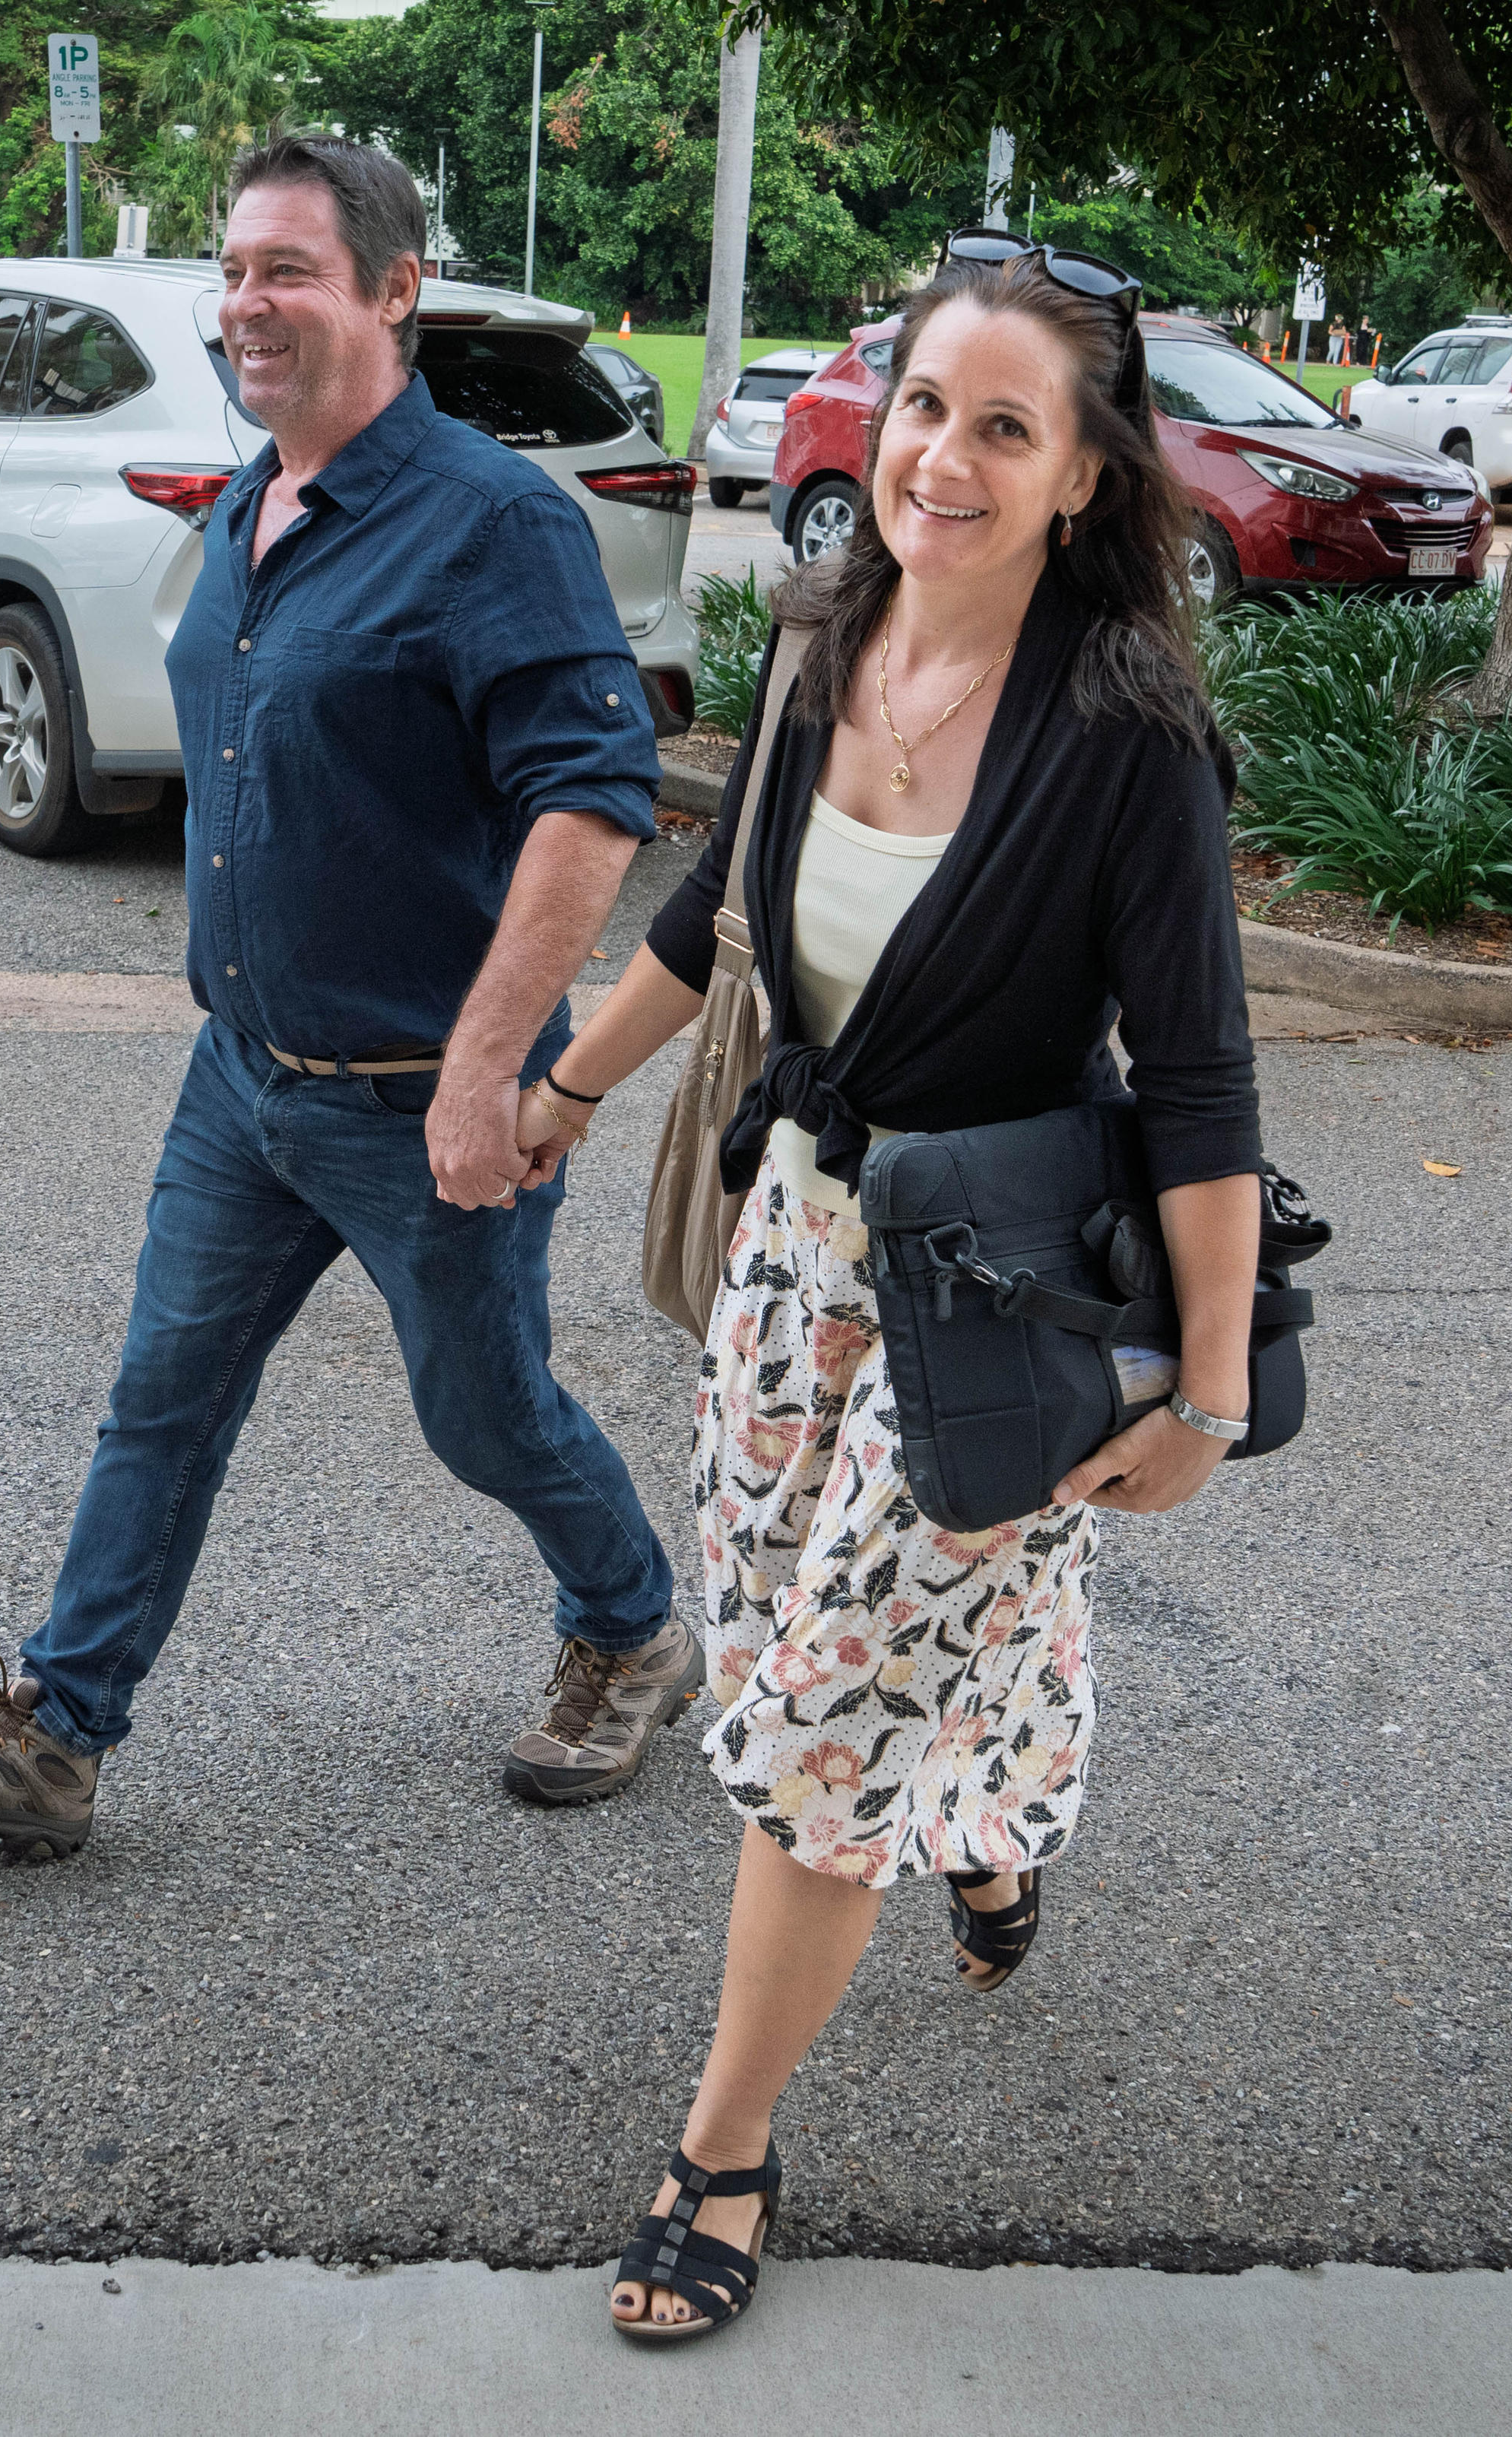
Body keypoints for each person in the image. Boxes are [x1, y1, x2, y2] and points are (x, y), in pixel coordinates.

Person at [510, 233, 1265, 2343]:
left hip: (991, 1292)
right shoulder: (821, 638)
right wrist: (564, 1085)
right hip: (795, 1247)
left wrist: (1203, 1392)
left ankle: (723, 2146)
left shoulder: (1129, 742)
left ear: (1086, 477)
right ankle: (994, 1829)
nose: (944, 455)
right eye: (926, 405)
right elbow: (719, 905)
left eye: (1004, 426)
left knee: (825, 1716)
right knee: (777, 1623)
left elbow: (1200, 1083)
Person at [0, 133, 696, 1858]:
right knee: (163, 1389)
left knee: (483, 1411)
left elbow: (593, 809)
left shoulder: (493, 520)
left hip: (415, 1095)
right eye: (233, 270)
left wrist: (486, 1070)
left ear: (393, 291)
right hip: (244, 1079)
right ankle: (57, 1734)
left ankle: (632, 1623)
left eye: (288, 270)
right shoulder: (253, 497)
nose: (248, 303)